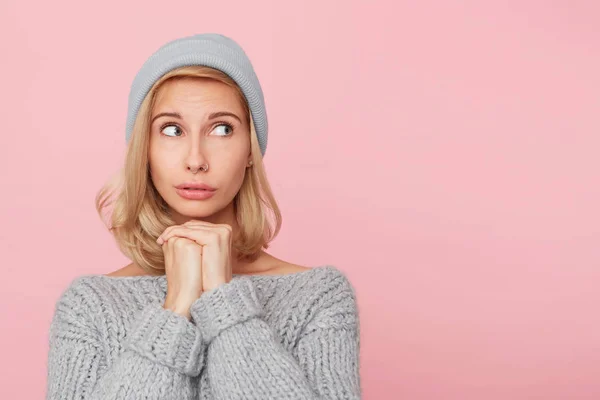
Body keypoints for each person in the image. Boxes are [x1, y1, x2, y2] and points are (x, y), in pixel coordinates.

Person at [45, 33, 361, 400]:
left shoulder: (319, 297)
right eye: (172, 130)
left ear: (250, 150)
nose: (196, 159)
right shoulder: (89, 306)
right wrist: (176, 307)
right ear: (144, 150)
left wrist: (224, 302)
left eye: (222, 128)